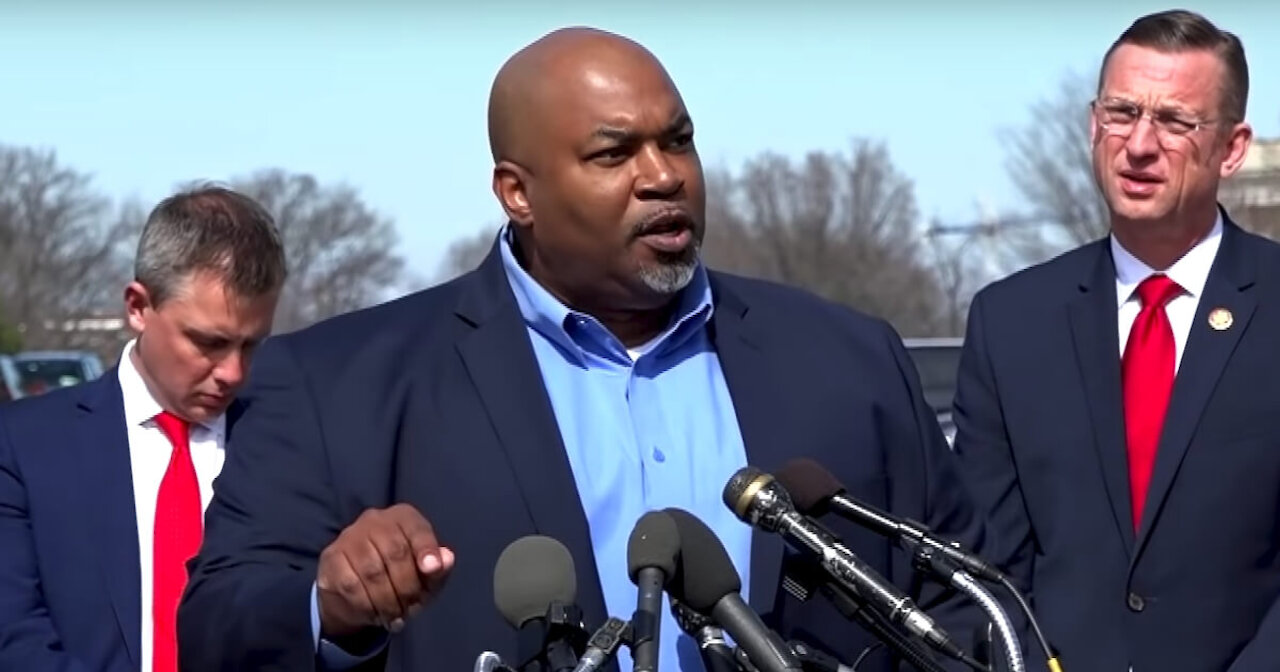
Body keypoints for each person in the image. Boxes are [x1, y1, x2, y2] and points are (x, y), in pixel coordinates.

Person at [178, 28, 998, 672]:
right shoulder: (337, 386)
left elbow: (968, 606)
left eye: (677, 141)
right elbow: (218, 631)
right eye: (614, 153)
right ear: (517, 192)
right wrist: (331, 606)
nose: (663, 176)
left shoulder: (851, 361)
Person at [951, 9, 1280, 672]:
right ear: (1092, 123)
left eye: (1175, 121)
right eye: (1123, 112)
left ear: (1233, 147)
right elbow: (990, 564)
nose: (1139, 144)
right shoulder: (1010, 322)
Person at [0, 185, 287, 672]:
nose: (233, 372)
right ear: (138, 306)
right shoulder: (25, 447)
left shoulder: (290, 446)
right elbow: (14, 640)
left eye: (251, 345)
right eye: (209, 342)